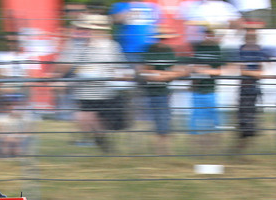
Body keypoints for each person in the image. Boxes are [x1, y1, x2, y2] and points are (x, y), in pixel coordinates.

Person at [56, 14, 128, 152]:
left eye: (87, 28)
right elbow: (64, 66)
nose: (84, 31)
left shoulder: (111, 46)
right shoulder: (76, 45)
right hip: (84, 90)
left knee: (101, 121)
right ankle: (100, 141)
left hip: (105, 91)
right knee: (84, 118)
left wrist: (114, 75)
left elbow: (120, 67)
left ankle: (102, 141)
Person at [139, 26, 185, 155]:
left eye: (164, 39)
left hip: (164, 91)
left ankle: (163, 149)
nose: (162, 41)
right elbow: (146, 72)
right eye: (160, 38)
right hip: (153, 91)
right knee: (159, 120)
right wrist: (166, 75)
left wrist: (165, 75)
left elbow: (175, 71)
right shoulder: (150, 50)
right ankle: (162, 150)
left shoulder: (169, 51)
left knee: (164, 119)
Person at [185, 25, 226, 149]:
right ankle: (197, 148)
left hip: (210, 90)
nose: (208, 36)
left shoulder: (216, 49)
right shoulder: (197, 48)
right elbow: (191, 67)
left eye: (210, 34)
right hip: (197, 89)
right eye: (206, 34)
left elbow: (219, 70)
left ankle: (213, 147)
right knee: (196, 121)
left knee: (214, 119)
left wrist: (203, 71)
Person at [234, 25, 268, 152]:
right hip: (244, 87)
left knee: (249, 119)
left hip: (251, 88)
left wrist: (248, 72)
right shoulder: (242, 49)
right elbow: (243, 70)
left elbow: (259, 72)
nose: (250, 36)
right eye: (249, 34)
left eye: (253, 34)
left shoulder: (258, 50)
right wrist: (251, 73)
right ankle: (241, 148)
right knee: (242, 118)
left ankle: (243, 149)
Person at [0, 32, 35, 100]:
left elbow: (28, 75)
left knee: (28, 84)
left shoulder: (25, 56)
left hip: (21, 83)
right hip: (5, 82)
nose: (10, 44)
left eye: (14, 41)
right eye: (8, 41)